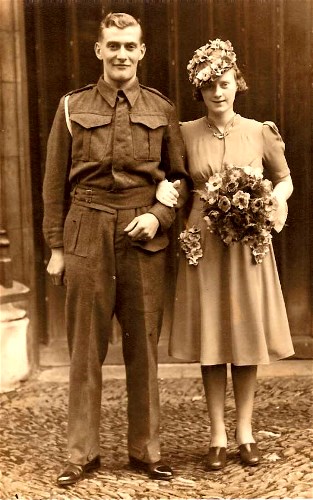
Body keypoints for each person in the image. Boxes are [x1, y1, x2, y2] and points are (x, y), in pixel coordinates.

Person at [43, 12, 189, 486]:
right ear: (99, 51)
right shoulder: (71, 107)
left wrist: (159, 216)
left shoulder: (162, 108)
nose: (122, 54)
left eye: (130, 46)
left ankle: (146, 451)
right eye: (113, 45)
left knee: (143, 344)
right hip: (86, 229)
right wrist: (56, 247)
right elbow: (51, 186)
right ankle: (81, 453)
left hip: (142, 233)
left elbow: (181, 178)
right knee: (85, 346)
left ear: (142, 52)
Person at [157, 38, 294, 470]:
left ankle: (246, 433)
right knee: (213, 337)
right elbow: (175, 184)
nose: (218, 92)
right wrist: (167, 194)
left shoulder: (260, 132)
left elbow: (285, 179)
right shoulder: (183, 133)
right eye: (209, 85)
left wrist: (274, 202)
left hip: (248, 243)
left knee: (245, 335)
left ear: (238, 83)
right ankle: (217, 435)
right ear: (199, 90)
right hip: (204, 245)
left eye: (225, 83)